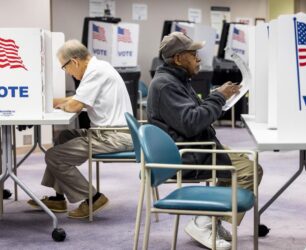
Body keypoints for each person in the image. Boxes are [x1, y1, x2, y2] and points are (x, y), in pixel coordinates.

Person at [147, 32, 263, 249]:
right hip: (187, 153)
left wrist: (215, 96)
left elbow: (190, 113)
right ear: (179, 58)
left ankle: (211, 220)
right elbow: (191, 122)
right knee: (249, 170)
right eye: (193, 54)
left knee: (247, 165)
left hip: (196, 146)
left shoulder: (176, 79)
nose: (198, 59)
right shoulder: (166, 85)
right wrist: (218, 97)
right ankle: (204, 221)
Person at [27, 40, 134, 219]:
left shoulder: (95, 71)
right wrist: (47, 102)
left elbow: (74, 105)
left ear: (74, 62)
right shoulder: (99, 67)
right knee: (64, 136)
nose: (67, 72)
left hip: (113, 136)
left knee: (54, 156)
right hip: (109, 132)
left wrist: (60, 104)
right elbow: (73, 100)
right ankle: (59, 198)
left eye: (64, 67)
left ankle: (93, 198)